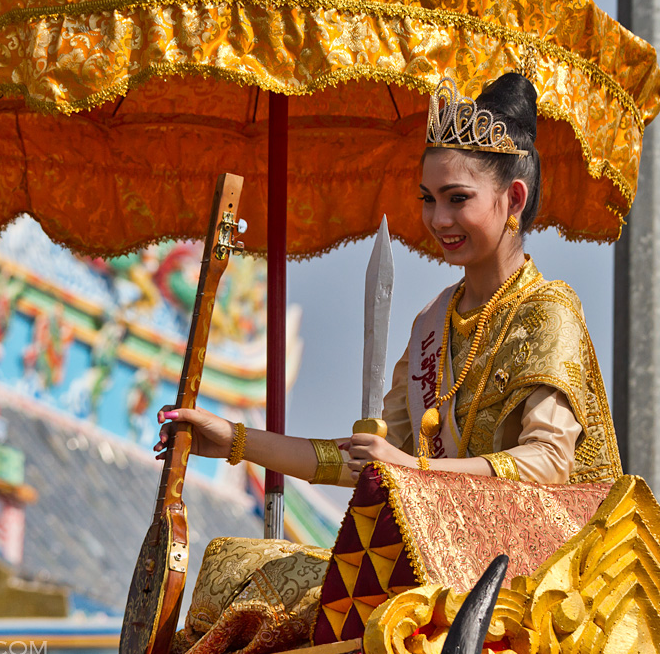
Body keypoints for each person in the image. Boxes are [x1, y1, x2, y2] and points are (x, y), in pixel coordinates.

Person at [156, 73, 623, 487]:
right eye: (428, 199)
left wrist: (411, 469)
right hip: (431, 553)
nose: (438, 219)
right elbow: (371, 460)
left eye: (457, 198)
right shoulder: (434, 321)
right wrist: (236, 441)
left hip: (511, 570)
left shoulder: (548, 312)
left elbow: (547, 462)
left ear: (514, 199)